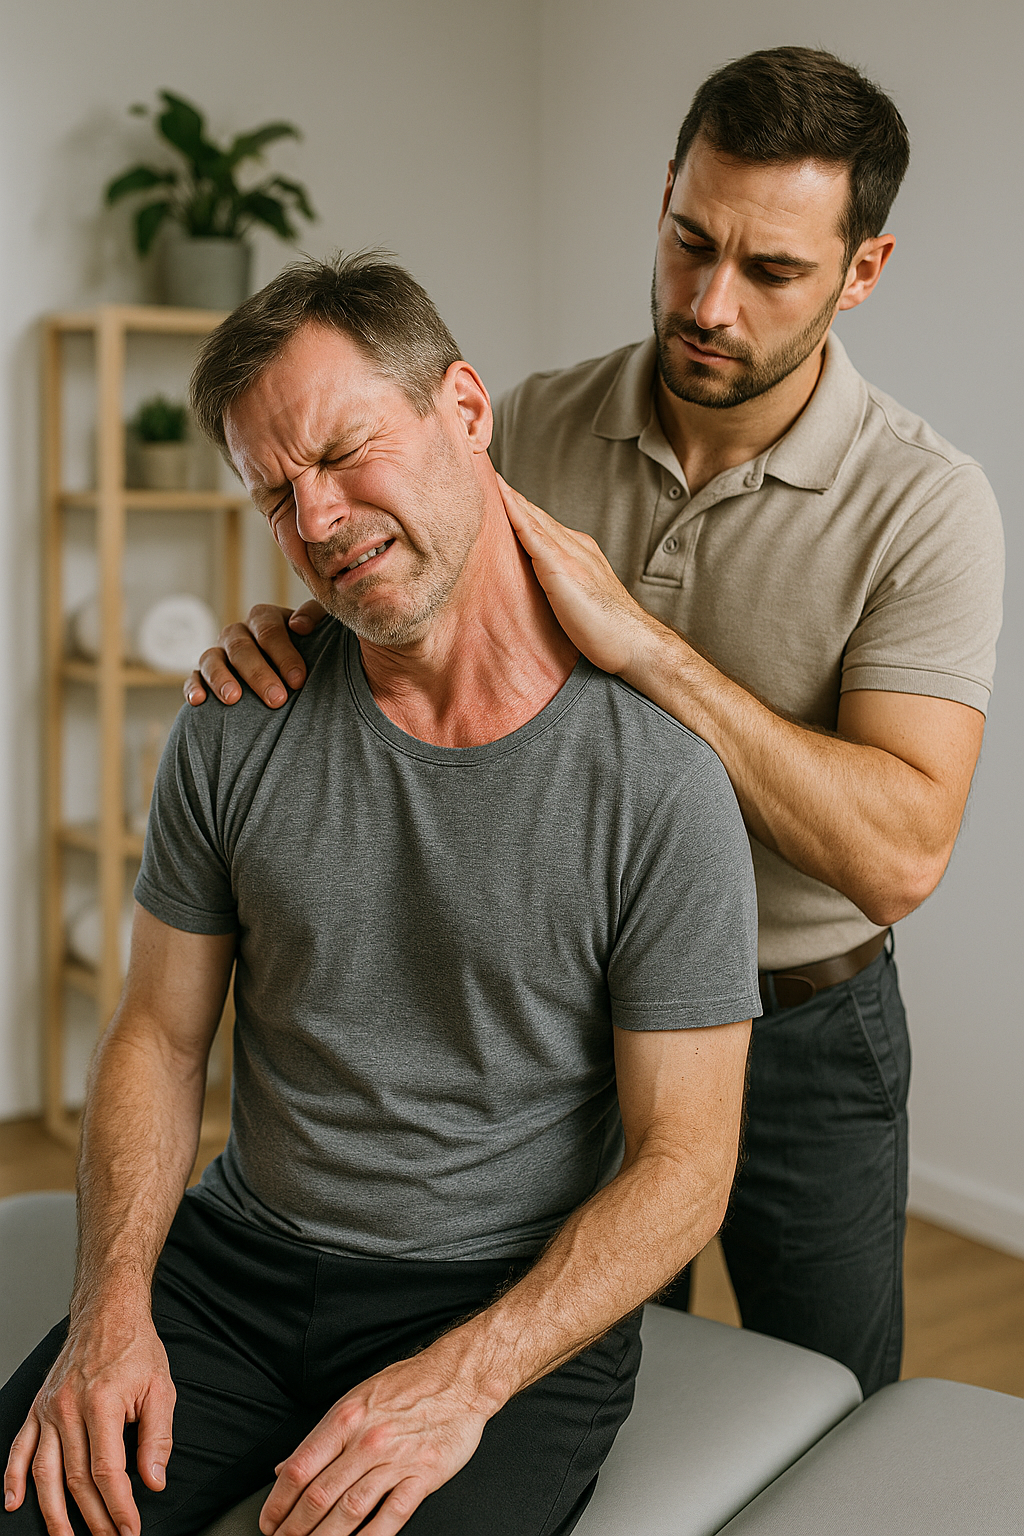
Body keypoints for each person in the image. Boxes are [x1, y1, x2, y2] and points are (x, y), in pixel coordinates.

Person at [191, 47, 1004, 1398]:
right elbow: (396, 606)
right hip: (565, 1022)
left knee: (835, 1409)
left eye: (773, 270)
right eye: (689, 238)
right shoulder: (528, 429)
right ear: (667, 194)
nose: (707, 300)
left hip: (805, 1028)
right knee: (588, 1387)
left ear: (862, 270)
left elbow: (901, 855)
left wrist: (649, 650)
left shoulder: (929, 508)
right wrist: (282, 644)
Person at [2, 255, 759, 1536]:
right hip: (233, 1271)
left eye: (346, 452)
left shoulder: (656, 781)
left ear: (463, 409)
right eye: (275, 496)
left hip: (494, 1309)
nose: (318, 522)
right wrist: (112, 1307)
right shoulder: (237, 726)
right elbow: (157, 1033)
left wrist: (463, 1380)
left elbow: (686, 1162)